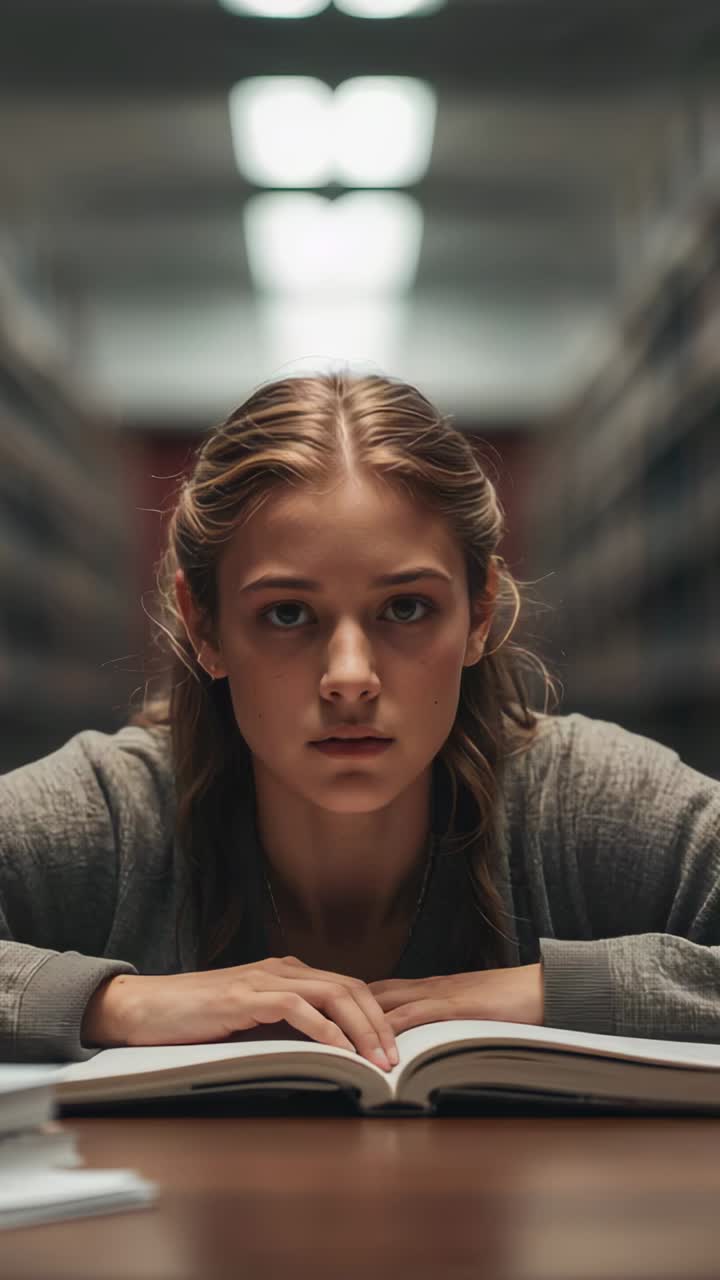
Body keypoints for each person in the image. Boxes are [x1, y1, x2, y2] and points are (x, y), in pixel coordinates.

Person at [2, 371, 719, 1069]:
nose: (350, 677)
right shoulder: (112, 812)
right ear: (204, 626)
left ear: (479, 610)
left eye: (406, 608)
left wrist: (551, 990)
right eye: (287, 614)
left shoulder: (581, 801)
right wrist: (122, 1003)